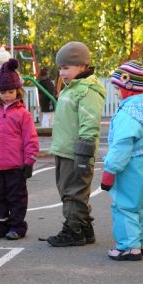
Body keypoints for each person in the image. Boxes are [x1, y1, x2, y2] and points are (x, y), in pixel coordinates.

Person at [101, 61, 143, 261]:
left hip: (131, 165)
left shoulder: (127, 114)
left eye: (117, 88)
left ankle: (129, 247)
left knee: (125, 206)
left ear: (128, 87)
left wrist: (110, 171)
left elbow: (122, 144)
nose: (116, 93)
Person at [46, 41, 106, 247]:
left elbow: (90, 123)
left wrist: (84, 153)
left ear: (82, 66)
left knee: (74, 192)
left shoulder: (87, 91)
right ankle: (85, 228)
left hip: (76, 152)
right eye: (60, 68)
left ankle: (74, 231)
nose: (62, 72)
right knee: (67, 190)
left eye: (66, 67)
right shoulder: (71, 88)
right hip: (64, 150)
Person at [0, 59, 39, 240]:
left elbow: (30, 138)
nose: (7, 95)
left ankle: (16, 226)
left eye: (10, 91)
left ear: (17, 91)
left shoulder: (23, 114)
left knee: (16, 198)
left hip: (16, 166)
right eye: (3, 92)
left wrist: (29, 160)